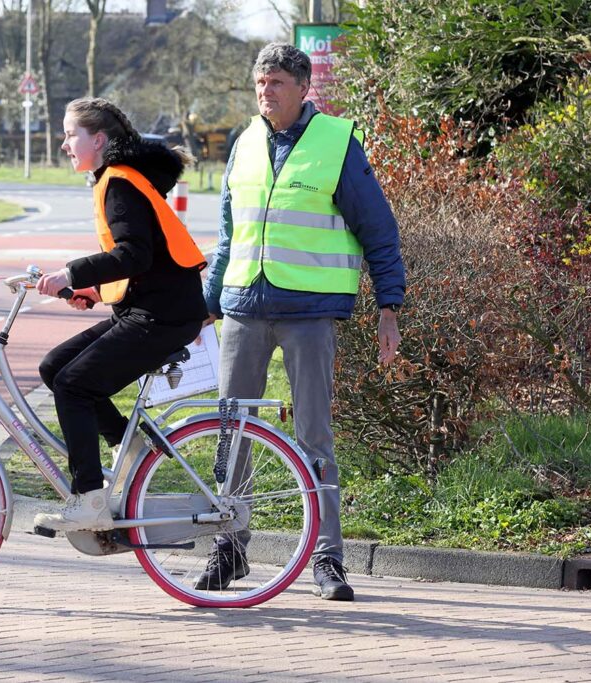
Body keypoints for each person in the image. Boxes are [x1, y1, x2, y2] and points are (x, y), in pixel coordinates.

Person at [198, 43, 406, 600]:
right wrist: (207, 302)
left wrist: (390, 305)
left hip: (309, 313)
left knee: (313, 435)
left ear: (301, 87)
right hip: (243, 309)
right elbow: (228, 237)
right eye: (259, 83)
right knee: (230, 434)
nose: (265, 92)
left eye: (276, 83)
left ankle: (326, 557)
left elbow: (378, 229)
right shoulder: (242, 144)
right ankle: (230, 547)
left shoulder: (336, 143)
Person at [33, 97, 209, 532]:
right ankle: (124, 446)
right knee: (54, 367)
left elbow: (133, 252)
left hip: (161, 315)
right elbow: (145, 261)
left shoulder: (119, 182)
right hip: (152, 305)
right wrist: (92, 289)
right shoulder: (117, 178)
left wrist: (71, 271)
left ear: (98, 139)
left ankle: (89, 499)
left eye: (71, 134)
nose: (64, 144)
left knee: (74, 386)